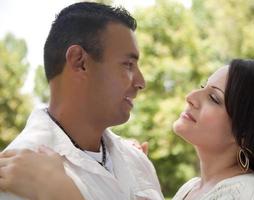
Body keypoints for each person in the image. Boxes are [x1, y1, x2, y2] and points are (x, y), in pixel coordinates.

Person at [1, 59, 254, 200]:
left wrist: (63, 193)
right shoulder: (190, 190)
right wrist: (125, 174)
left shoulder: (249, 194)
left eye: (213, 98)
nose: (191, 98)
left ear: (246, 133)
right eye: (201, 88)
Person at [0, 2, 164, 200]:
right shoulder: (15, 179)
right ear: (80, 62)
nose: (141, 82)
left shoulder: (138, 162)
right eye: (128, 65)